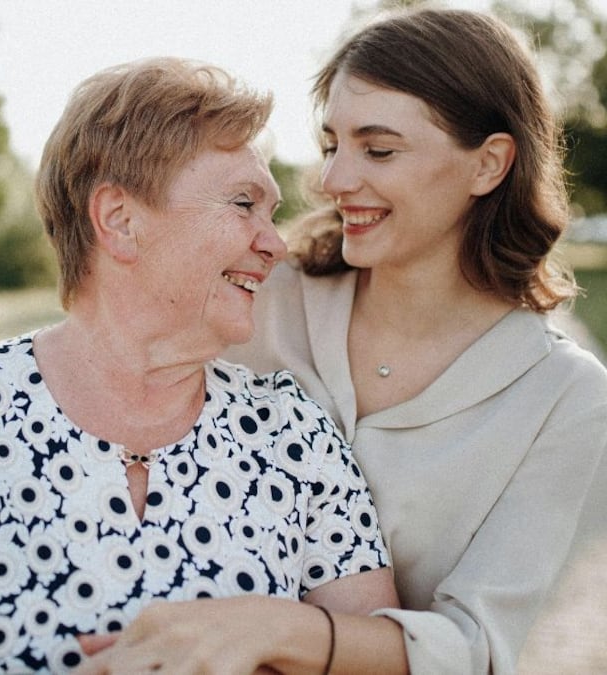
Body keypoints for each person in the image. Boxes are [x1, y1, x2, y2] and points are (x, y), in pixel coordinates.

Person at [78, 8, 607, 675]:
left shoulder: (566, 399)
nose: (332, 180)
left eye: (378, 150)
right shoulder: (258, 299)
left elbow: (484, 649)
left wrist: (280, 630)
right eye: (333, 145)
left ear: (489, 164)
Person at [0, 57, 400, 674]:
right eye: (244, 203)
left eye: (270, 213)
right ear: (120, 220)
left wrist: (273, 633)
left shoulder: (291, 429)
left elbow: (381, 655)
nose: (274, 243)